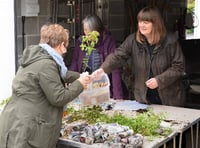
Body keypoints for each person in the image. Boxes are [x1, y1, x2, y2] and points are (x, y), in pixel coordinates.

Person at [0, 24, 91, 148]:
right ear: (61, 45)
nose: (65, 51)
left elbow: (57, 75)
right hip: (27, 129)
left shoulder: (36, 58)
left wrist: (80, 76)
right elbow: (59, 97)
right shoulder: (46, 64)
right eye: (66, 46)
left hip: (15, 121)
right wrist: (80, 83)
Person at [92, 6, 186, 107]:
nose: (141, 25)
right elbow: (118, 55)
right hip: (143, 98)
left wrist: (159, 80)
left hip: (169, 99)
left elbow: (179, 67)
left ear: (156, 24)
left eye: (146, 22)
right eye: (140, 22)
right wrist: (103, 69)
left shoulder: (170, 41)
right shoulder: (133, 40)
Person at [70, 14, 127, 100]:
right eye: (85, 30)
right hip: (85, 86)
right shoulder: (81, 42)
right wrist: (70, 81)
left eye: (90, 30)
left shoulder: (108, 41)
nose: (87, 33)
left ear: (97, 30)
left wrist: (118, 95)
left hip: (103, 86)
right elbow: (75, 61)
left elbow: (115, 68)